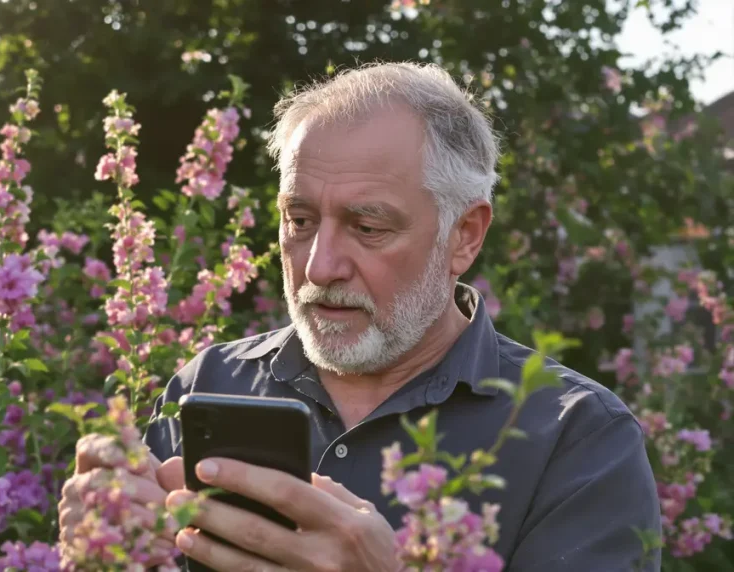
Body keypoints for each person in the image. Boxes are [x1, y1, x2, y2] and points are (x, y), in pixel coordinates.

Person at [58, 61, 662, 571]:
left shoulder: (580, 440)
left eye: (367, 227)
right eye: (298, 221)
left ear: (464, 236)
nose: (319, 267)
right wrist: (104, 547)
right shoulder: (209, 384)